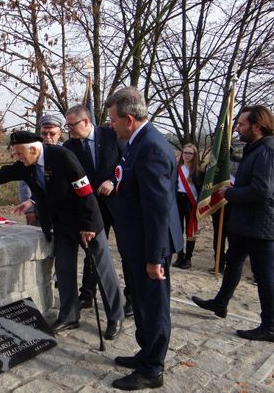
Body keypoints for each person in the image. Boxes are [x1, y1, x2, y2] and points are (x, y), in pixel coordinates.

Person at [0, 131, 121, 336]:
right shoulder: (26, 165)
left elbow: (84, 191)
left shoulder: (62, 157)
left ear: (33, 149)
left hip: (85, 221)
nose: (17, 158)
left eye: (19, 154)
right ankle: (69, 316)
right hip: (61, 225)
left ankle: (114, 317)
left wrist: (88, 226)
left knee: (102, 270)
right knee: (64, 271)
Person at [107, 86, 182, 390]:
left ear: (128, 118)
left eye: (112, 119)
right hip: (136, 242)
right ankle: (146, 353)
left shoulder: (151, 147)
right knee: (141, 302)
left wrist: (154, 257)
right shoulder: (136, 143)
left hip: (150, 245)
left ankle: (153, 369)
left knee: (154, 307)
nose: (110, 125)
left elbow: (157, 209)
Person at [192, 105, 274, 342]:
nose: (237, 128)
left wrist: (231, 193)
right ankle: (221, 303)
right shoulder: (253, 148)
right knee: (233, 262)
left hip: (260, 225)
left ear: (257, 126)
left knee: (264, 275)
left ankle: (270, 325)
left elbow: (262, 190)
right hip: (245, 223)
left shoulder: (267, 151)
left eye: (241, 124)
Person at [63, 104, 129, 333]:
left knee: (126, 252)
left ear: (86, 121)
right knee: (94, 256)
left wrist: (113, 180)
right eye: (67, 125)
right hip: (89, 209)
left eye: (73, 125)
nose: (69, 129)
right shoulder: (69, 146)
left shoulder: (111, 134)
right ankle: (87, 295)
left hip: (117, 203)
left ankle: (129, 298)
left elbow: (126, 161)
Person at [18, 114, 63, 226]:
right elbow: (24, 183)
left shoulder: (66, 153)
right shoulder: (32, 153)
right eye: (44, 133)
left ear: (59, 134)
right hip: (38, 210)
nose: (47, 137)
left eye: (52, 134)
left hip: (63, 211)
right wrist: (30, 209)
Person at [173, 143, 203, 270]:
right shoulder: (176, 168)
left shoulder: (199, 172)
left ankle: (188, 258)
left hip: (192, 202)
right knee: (177, 229)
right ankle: (180, 255)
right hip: (178, 200)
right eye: (185, 152)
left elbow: (201, 190)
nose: (186, 155)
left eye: (190, 153)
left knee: (190, 231)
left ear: (194, 155)